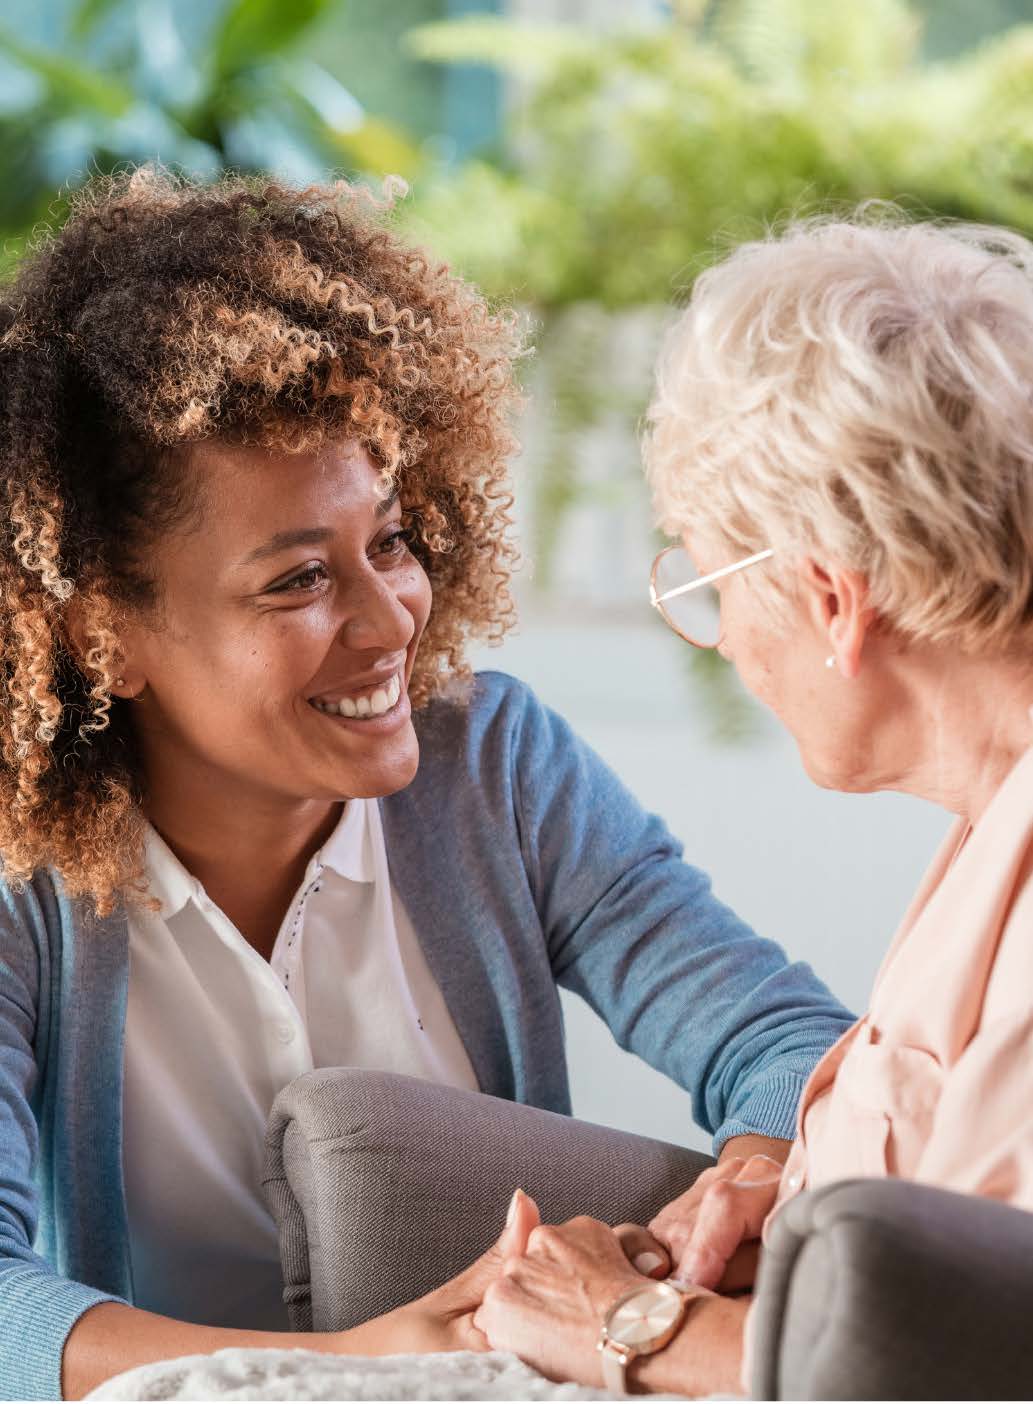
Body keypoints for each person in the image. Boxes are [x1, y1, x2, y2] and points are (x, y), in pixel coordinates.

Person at [0, 169, 851, 1401]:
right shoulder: (23, 873)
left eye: (389, 543)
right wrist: (342, 1372)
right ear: (100, 636)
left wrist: (745, 1191)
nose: (390, 616)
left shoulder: (493, 767)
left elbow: (781, 1038)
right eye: (296, 581)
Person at [474, 210, 1033, 1395]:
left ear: (832, 599)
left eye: (711, 579)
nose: (720, 642)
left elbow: (971, 1365)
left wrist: (630, 1325)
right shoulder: (988, 819)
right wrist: (784, 1186)